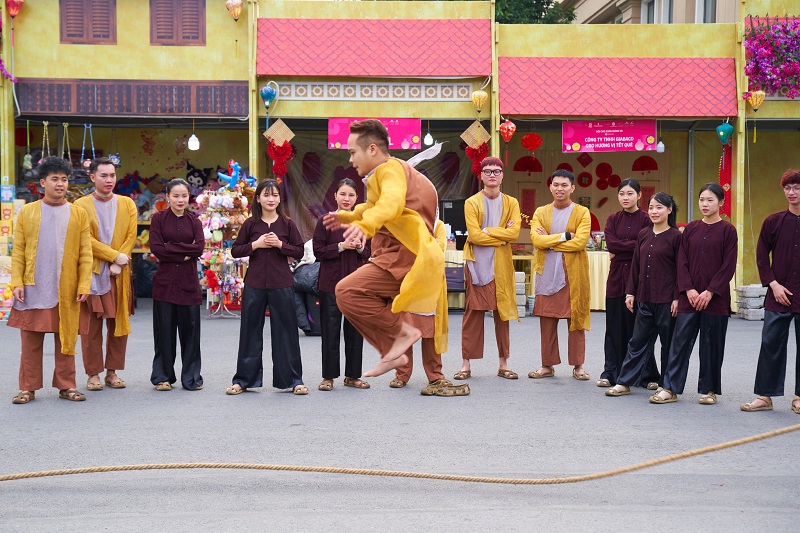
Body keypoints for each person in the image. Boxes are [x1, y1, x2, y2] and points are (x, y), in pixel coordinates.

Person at [323, 119, 443, 377]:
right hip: (403, 255)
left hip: (408, 255)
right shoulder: (382, 175)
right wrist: (347, 216)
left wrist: (365, 227)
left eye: (353, 152)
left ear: (373, 149)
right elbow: (373, 205)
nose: (351, 159)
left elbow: (391, 204)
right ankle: (394, 347)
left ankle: (402, 339)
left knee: (347, 291)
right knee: (347, 293)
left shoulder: (390, 170)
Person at [9, 156, 92, 404]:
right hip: (34, 286)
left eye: (64, 179)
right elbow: (19, 251)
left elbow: (86, 253)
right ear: (43, 182)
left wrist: (84, 284)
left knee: (66, 339)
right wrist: (17, 282)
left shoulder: (78, 214)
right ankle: (28, 388)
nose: (60, 184)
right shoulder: (28, 212)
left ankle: (67, 386)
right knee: (30, 341)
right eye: (55, 179)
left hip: (66, 288)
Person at [653, 183, 737, 405]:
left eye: (710, 200)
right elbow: (682, 262)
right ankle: (670, 388)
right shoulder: (690, 229)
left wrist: (709, 292)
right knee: (679, 343)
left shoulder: (728, 231)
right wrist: (688, 289)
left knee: (711, 345)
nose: (705, 204)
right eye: (702, 200)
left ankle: (708, 390)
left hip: (715, 299)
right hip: (688, 298)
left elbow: (728, 266)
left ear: (721, 203)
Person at [227, 179, 307, 396]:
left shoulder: (287, 223)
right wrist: (256, 244)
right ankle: (243, 380)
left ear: (279, 198)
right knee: (250, 331)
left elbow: (300, 251)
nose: (271, 199)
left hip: (282, 283)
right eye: (266, 195)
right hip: (255, 283)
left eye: (274, 195)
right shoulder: (250, 224)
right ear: (259, 198)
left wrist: (281, 245)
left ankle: (293, 379)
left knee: (286, 332)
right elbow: (235, 251)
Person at [606, 193, 680, 397]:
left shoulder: (676, 237)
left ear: (669, 210)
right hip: (644, 298)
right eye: (652, 207)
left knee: (668, 344)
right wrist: (630, 292)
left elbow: (680, 270)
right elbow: (636, 266)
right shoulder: (644, 234)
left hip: (666, 300)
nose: (655, 212)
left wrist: (676, 297)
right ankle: (624, 381)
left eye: (659, 208)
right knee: (637, 341)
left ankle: (668, 387)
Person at [453, 156, 521, 381]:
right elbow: (473, 236)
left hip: (501, 265)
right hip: (477, 266)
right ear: (481, 175)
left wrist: (488, 233)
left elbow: (514, 233)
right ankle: (466, 363)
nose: (492, 174)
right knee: (473, 313)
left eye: (496, 171)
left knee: (502, 314)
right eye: (488, 171)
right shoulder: (472, 202)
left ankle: (504, 364)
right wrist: (501, 236)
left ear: (502, 175)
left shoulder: (511, 202)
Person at [74, 157, 137, 392]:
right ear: (92, 178)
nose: (109, 180)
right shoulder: (80, 205)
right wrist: (114, 256)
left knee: (119, 323)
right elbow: (84, 240)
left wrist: (120, 263)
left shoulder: (127, 203)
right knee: (90, 326)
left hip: (119, 273)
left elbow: (131, 236)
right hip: (92, 272)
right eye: (103, 176)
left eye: (112, 175)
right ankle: (93, 374)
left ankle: (112, 372)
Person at [741, 169, 800, 414]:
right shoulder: (773, 222)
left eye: (796, 187)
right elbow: (762, 256)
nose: (792, 192)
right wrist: (772, 284)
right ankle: (764, 396)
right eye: (787, 188)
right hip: (778, 294)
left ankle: (798, 397)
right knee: (770, 344)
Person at [392, 218, 469, 396]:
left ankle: (435, 374)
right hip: (409, 283)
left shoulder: (438, 225)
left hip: (431, 285)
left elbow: (439, 248)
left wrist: (419, 245)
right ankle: (401, 375)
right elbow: (402, 250)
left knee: (431, 332)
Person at [529, 169, 592, 381]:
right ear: (550, 186)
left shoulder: (582, 212)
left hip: (572, 274)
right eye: (556, 184)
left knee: (576, 320)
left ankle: (578, 366)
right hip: (547, 273)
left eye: (564, 185)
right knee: (547, 320)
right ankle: (547, 365)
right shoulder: (541, 212)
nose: (559, 189)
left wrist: (550, 242)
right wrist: (564, 237)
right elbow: (536, 241)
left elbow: (581, 242)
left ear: (572, 188)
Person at [598, 178, 658, 389]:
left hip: (640, 279)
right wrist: (634, 245)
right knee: (613, 327)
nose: (626, 197)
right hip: (616, 279)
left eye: (630, 193)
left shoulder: (647, 219)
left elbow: (647, 243)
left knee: (639, 329)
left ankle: (647, 374)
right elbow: (610, 242)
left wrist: (624, 248)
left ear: (640, 195)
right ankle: (610, 372)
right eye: (622, 193)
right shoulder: (613, 219)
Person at [148, 178, 205, 392]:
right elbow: (157, 249)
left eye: (184, 196)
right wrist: (183, 252)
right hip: (165, 284)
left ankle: (192, 378)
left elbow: (198, 248)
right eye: (176, 195)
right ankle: (163, 377)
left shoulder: (194, 221)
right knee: (164, 332)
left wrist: (172, 247)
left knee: (191, 332)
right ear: (167, 196)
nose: (180, 200)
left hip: (189, 284)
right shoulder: (159, 219)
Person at [314, 178, 370, 391]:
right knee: (330, 329)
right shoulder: (325, 220)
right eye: (343, 194)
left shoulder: (364, 222)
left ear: (357, 198)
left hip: (356, 284)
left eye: (351, 195)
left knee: (355, 330)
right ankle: (328, 376)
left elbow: (369, 251)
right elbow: (318, 251)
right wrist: (340, 246)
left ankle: (353, 376)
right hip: (330, 283)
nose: (347, 199)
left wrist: (357, 248)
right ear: (335, 196)